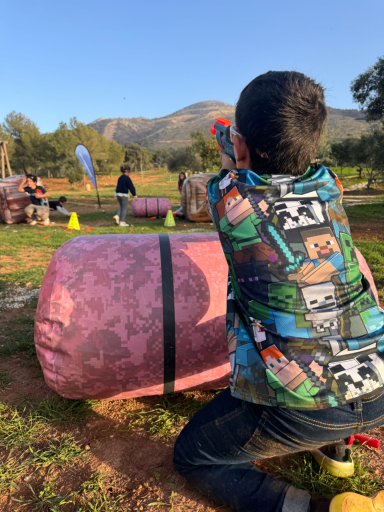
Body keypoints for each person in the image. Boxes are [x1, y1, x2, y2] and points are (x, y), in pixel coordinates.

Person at [173, 71, 384, 512]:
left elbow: (231, 178)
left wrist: (233, 148)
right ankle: (336, 452)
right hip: (378, 384)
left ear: (241, 145)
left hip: (304, 405)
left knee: (194, 456)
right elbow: (278, 172)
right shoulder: (329, 187)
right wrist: (242, 141)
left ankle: (315, 507)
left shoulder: (230, 200)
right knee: (329, 327)